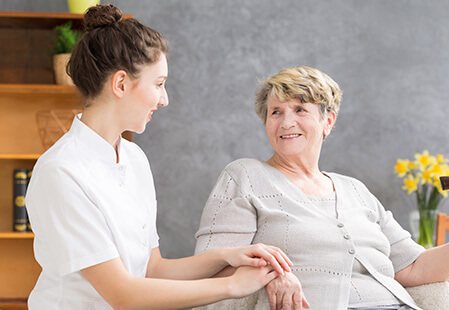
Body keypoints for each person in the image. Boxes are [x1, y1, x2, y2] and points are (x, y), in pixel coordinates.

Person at [25, 5, 293, 309]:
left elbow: (152, 270)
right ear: (121, 84)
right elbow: (124, 295)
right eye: (159, 84)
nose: (164, 100)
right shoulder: (62, 172)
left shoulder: (134, 159)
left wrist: (226, 256)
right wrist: (231, 285)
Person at [194, 66, 449, 310]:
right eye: (276, 112)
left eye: (300, 109)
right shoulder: (244, 176)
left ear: (328, 121)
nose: (286, 122)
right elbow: (210, 268)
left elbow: (413, 268)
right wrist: (269, 277)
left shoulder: (355, 190)